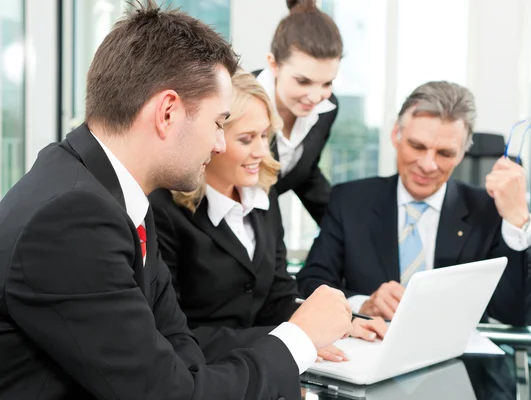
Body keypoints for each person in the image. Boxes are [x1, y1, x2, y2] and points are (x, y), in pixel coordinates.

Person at [0, 3, 354, 400]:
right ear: (168, 112)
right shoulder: (70, 218)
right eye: (219, 122)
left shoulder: (118, 195)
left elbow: (180, 353)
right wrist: (298, 339)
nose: (220, 143)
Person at [149, 70, 387, 364]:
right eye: (247, 139)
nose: (262, 151)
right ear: (213, 139)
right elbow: (172, 334)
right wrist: (291, 338)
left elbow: (279, 295)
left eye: (264, 135)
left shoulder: (264, 194)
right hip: (204, 376)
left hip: (265, 370)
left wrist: (340, 327)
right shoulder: (162, 210)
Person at [296, 81, 531, 327]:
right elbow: (311, 283)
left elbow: (518, 314)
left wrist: (517, 218)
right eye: (417, 146)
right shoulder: (350, 201)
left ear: (461, 154)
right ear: (396, 135)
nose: (427, 165)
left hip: (460, 362)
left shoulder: (487, 211)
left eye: (445, 153)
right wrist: (362, 305)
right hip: (368, 352)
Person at [254, 0, 343, 224]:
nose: (315, 97)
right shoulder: (234, 99)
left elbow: (305, 172)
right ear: (273, 64)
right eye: (303, 81)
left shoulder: (326, 109)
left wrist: (343, 230)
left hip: (266, 234)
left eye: (327, 83)